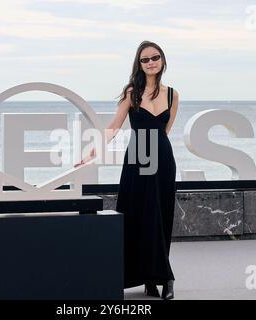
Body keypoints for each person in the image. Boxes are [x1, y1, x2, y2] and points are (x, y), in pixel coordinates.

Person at [75, 40, 179, 300]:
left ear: (163, 60)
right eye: (145, 59)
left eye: (155, 57)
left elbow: (165, 130)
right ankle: (148, 278)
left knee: (161, 216)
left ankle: (162, 277)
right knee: (139, 216)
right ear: (139, 64)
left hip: (163, 159)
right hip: (138, 158)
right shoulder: (132, 92)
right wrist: (93, 151)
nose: (151, 62)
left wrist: (157, 152)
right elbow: (114, 125)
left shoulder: (172, 94)